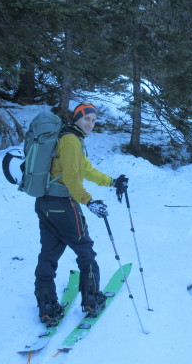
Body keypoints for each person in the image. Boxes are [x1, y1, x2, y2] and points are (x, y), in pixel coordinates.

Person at [33, 101, 128, 325]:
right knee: (85, 252)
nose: (91, 124)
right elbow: (72, 179)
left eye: (94, 120)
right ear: (76, 119)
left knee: (48, 255)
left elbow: (86, 169)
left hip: (45, 204)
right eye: (87, 119)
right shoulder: (70, 141)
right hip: (63, 205)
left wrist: (112, 182)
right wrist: (89, 201)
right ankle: (92, 300)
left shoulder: (70, 139)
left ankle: (47, 306)